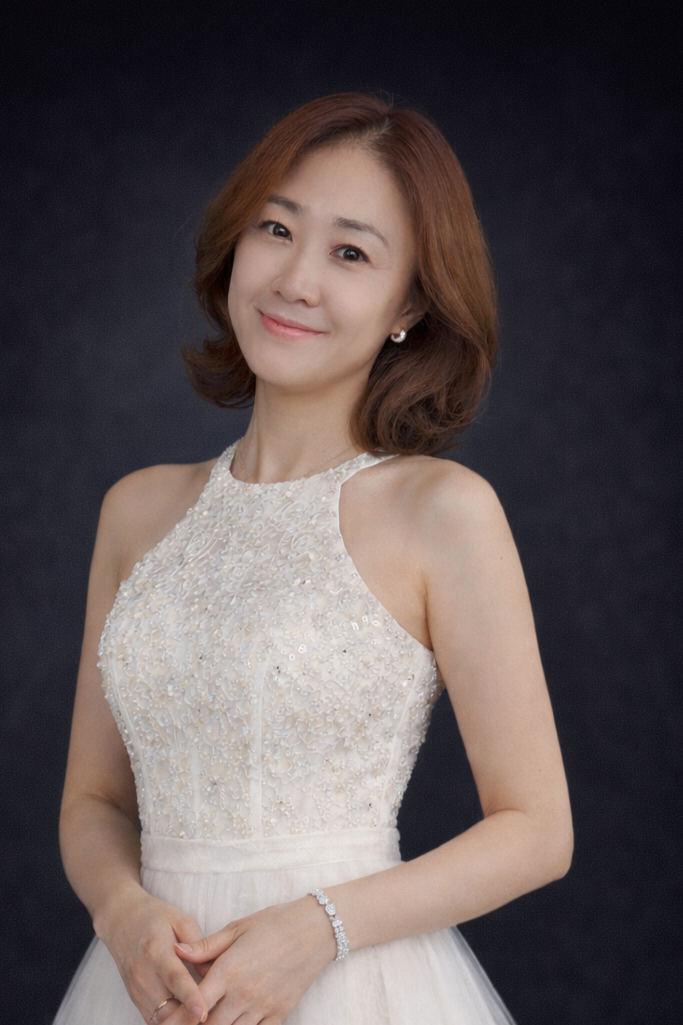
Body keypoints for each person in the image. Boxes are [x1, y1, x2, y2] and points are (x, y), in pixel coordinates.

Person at [54, 92, 573, 1025]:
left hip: (351, 981)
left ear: (408, 302)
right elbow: (92, 799)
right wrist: (122, 910)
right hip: (147, 986)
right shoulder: (135, 509)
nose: (295, 279)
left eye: (349, 252)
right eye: (275, 228)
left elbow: (536, 832)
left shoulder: (441, 511)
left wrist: (317, 928)